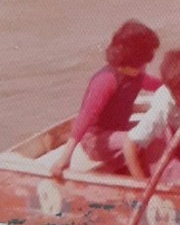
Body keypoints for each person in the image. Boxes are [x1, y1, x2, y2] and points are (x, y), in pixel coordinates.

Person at [50, 20, 161, 178]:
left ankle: (157, 174)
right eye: (142, 64)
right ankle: (143, 184)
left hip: (117, 131)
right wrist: (65, 157)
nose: (144, 68)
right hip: (95, 141)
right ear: (132, 60)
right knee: (135, 139)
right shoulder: (106, 81)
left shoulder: (136, 75)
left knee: (156, 129)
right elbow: (85, 118)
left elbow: (158, 85)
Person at [116, 49, 180, 182]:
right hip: (179, 138)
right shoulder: (162, 103)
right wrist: (140, 183)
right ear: (172, 93)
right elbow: (129, 144)